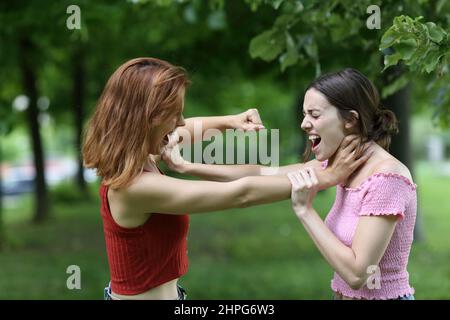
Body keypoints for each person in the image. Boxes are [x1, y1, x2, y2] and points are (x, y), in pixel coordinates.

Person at [82, 57, 370, 300]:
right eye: (174, 114)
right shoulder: (134, 187)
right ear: (147, 119)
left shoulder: (142, 153)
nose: (181, 123)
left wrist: (230, 121)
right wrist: (327, 176)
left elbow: (190, 128)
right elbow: (240, 193)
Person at [287, 68, 416, 300]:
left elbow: (358, 275)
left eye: (314, 115)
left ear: (350, 119)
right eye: (304, 114)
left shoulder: (387, 178)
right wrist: (198, 165)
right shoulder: (343, 164)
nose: (304, 124)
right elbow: (261, 174)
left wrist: (305, 210)